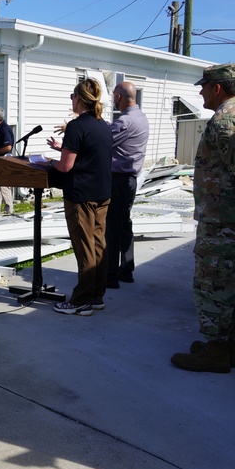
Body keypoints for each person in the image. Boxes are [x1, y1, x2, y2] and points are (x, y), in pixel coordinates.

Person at [171, 63, 235, 374]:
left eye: (204, 86)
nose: (201, 91)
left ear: (218, 88)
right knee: (234, 282)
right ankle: (227, 344)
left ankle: (216, 350)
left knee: (213, 282)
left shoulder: (225, 120)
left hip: (222, 219)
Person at [46, 78, 113, 316]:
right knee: (98, 245)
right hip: (102, 194)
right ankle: (96, 296)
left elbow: (65, 167)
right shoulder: (103, 124)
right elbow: (87, 154)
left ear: (79, 98)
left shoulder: (76, 126)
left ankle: (80, 301)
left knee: (84, 248)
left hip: (81, 196)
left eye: (72, 97)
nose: (71, 101)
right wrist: (61, 149)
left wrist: (50, 161)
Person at [105, 82, 149, 288]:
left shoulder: (125, 121)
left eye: (114, 95)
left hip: (119, 180)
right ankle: (126, 269)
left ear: (119, 98)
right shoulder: (140, 116)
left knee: (113, 227)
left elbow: (102, 141)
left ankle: (111, 275)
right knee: (124, 224)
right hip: (129, 180)